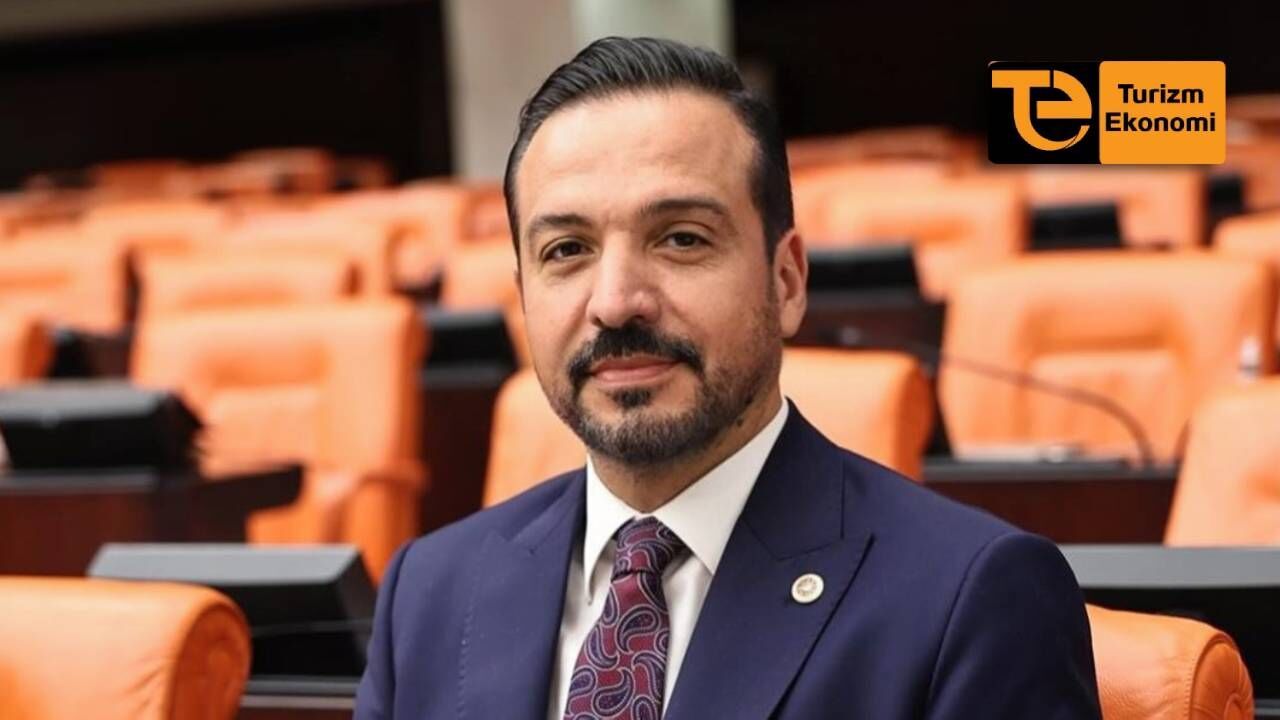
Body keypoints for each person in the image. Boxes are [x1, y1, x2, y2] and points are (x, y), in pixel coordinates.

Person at [355, 36, 1101, 719]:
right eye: (566, 250)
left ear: (787, 281)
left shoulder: (972, 599)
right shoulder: (428, 592)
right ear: (522, 295)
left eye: (681, 239)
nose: (615, 301)